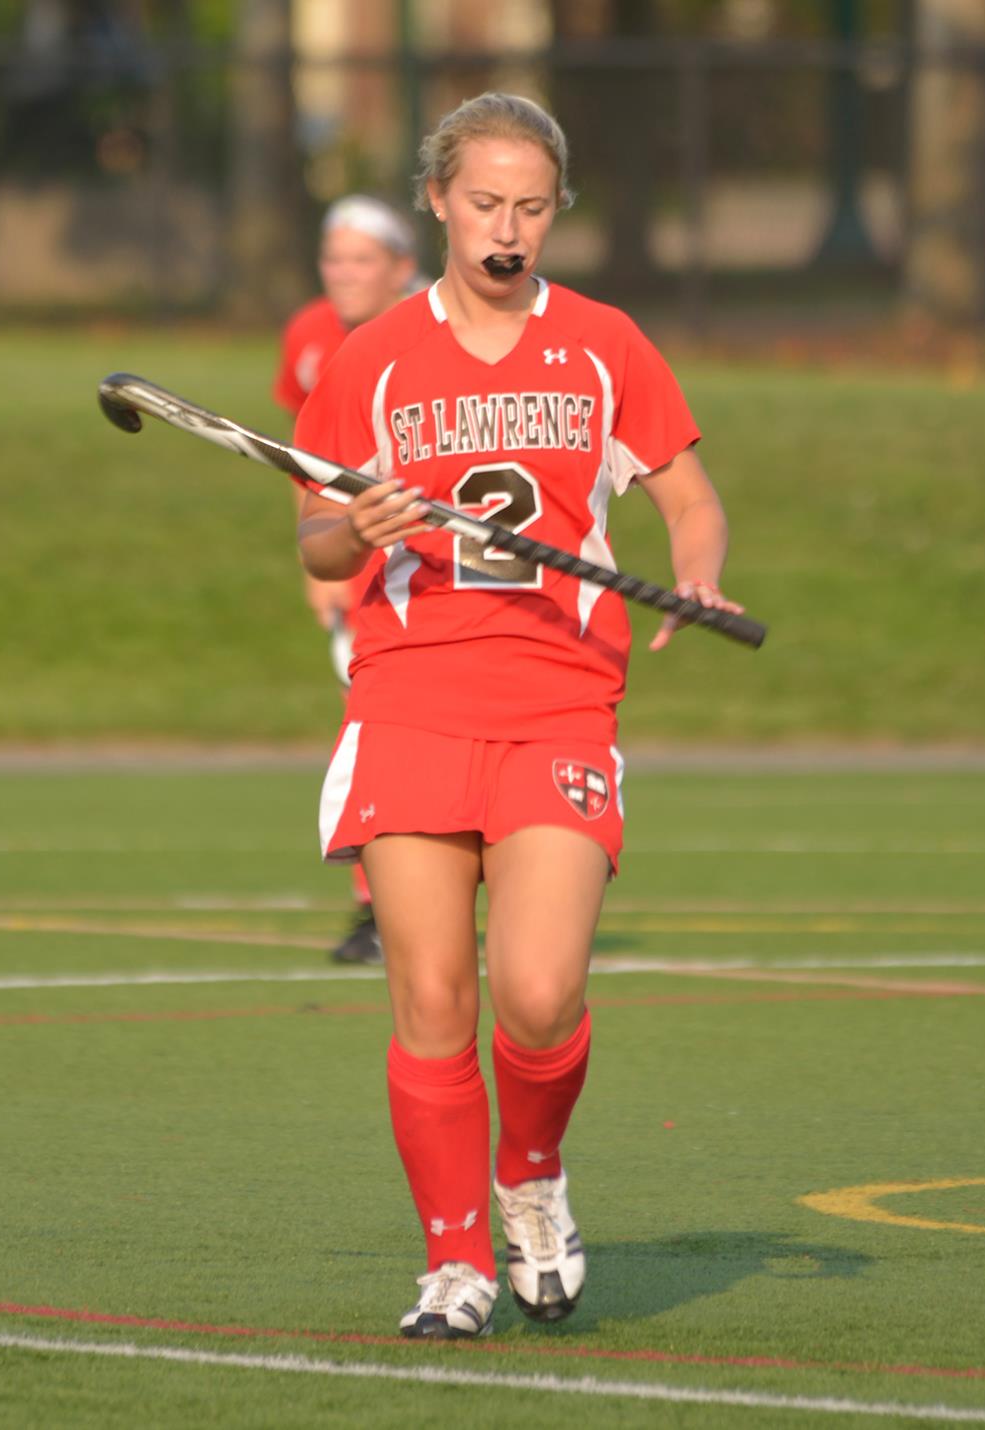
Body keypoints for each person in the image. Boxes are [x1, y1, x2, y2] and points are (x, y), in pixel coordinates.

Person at [294, 93, 743, 1339]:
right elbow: (319, 541)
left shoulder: (604, 343)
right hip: (409, 703)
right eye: (485, 202)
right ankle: (453, 1266)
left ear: (557, 212)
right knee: (431, 997)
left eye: (531, 207)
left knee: (537, 995)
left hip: (556, 704)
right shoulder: (370, 358)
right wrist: (358, 525)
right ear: (437, 200)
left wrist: (696, 569)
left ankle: (530, 1175)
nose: (508, 229)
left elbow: (689, 498)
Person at [274, 196, 421, 967]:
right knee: (368, 726)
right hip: (357, 553)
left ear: (402, 268)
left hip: (434, 564)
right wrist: (323, 557)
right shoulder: (308, 336)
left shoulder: (439, 329)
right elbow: (306, 464)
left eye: (362, 260)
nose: (343, 275)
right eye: (334, 259)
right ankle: (380, 909)